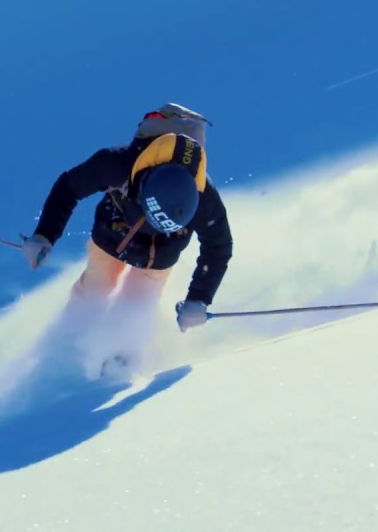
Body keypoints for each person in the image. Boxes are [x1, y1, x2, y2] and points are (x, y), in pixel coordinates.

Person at [22, 103, 233, 369]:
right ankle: (68, 342)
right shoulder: (115, 164)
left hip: (158, 258)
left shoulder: (204, 198)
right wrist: (45, 235)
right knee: (95, 289)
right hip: (110, 238)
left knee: (138, 303)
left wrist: (198, 299)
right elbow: (68, 189)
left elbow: (218, 247)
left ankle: (122, 360)